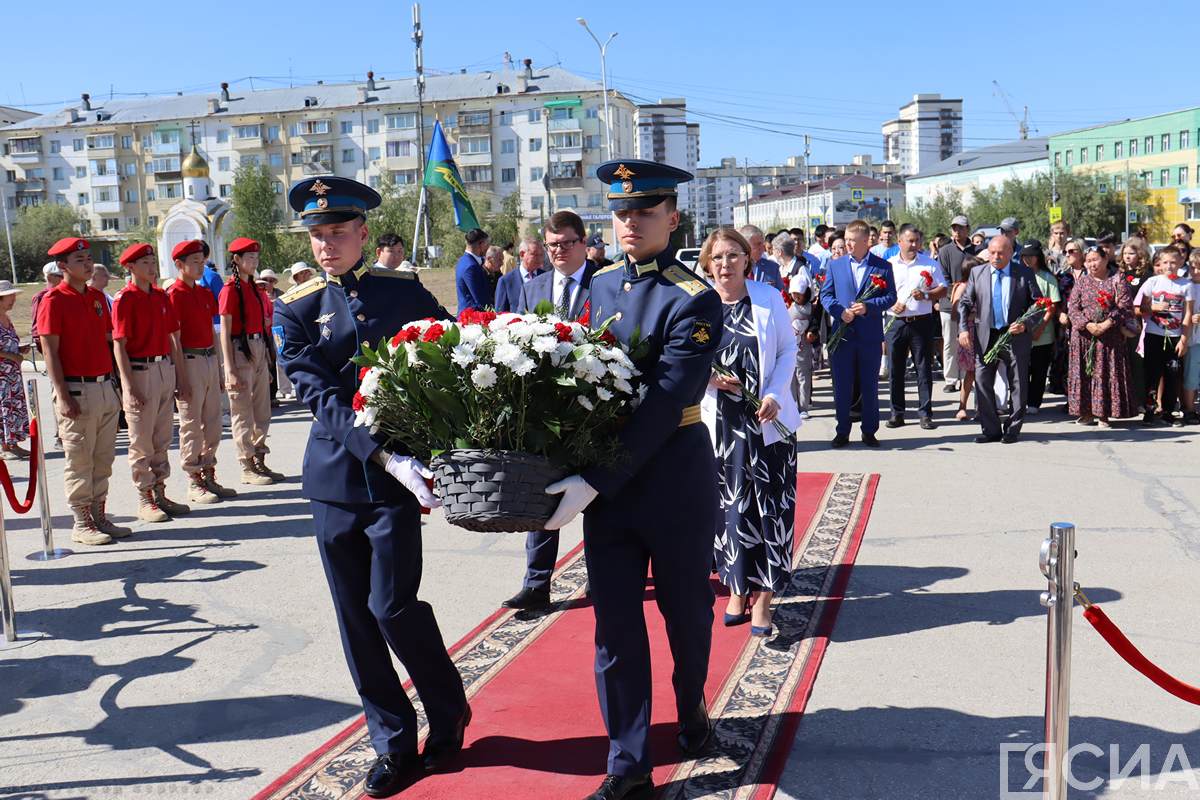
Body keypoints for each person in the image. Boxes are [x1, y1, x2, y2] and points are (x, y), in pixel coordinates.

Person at [277, 175, 466, 797]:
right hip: (338, 480)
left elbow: (455, 355)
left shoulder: (403, 291)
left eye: (337, 232)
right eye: (317, 234)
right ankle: (391, 741)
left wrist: (440, 450)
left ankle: (447, 707)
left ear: (363, 233)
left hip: (397, 486)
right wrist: (382, 455)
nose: (326, 244)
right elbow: (319, 395)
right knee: (356, 619)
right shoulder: (296, 306)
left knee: (393, 606)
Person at [541, 159, 722, 800]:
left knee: (686, 615)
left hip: (672, 477)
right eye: (620, 212)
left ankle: (691, 700)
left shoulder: (694, 297)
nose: (629, 222)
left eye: (643, 211)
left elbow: (667, 400)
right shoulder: (599, 288)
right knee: (615, 627)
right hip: (609, 491)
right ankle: (629, 765)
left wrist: (595, 479)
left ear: (672, 219)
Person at [697, 227, 799, 636]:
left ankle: (765, 600)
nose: (726, 264)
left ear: (747, 258)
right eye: (718, 257)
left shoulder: (768, 298)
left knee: (770, 509)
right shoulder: (700, 306)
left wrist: (774, 393)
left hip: (768, 422)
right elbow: (688, 356)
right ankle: (737, 588)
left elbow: (788, 349)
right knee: (730, 510)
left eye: (733, 255)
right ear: (708, 263)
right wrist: (708, 376)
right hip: (721, 425)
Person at [501, 211, 598, 612]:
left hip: (594, 407)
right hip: (544, 408)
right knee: (540, 495)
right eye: (552, 245)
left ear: (583, 243)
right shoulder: (533, 286)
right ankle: (537, 584)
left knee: (595, 497)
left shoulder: (604, 282)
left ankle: (601, 575)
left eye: (567, 244)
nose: (558, 252)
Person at [37, 237, 129, 545]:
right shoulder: (54, 300)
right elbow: (50, 351)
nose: (88, 264)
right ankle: (81, 521)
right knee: (79, 460)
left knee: (103, 458)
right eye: (80, 261)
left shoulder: (97, 297)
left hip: (104, 386)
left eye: (89, 258)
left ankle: (99, 515)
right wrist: (62, 394)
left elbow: (107, 340)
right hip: (77, 388)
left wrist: (116, 383)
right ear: (63, 266)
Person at [113, 242, 192, 522]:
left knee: (161, 438)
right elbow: (119, 345)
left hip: (163, 368)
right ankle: (144, 497)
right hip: (140, 371)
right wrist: (128, 385)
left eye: (152, 262)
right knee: (141, 441)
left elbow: (174, 338)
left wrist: (180, 376)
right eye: (144, 263)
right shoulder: (125, 299)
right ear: (130, 267)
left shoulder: (160, 296)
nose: (152, 267)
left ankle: (160, 491)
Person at [167, 239, 237, 505]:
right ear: (179, 265)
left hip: (208, 359)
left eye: (202, 261)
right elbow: (175, 338)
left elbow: (210, 330)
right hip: (189, 360)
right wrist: (180, 376)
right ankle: (193, 479)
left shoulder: (203, 292)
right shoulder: (174, 294)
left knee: (213, 423)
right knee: (191, 425)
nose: (200, 266)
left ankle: (209, 472)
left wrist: (219, 370)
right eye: (194, 262)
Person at [957, 236, 1045, 443]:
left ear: (1010, 252)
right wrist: (962, 330)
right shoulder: (978, 273)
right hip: (986, 335)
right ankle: (991, 430)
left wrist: (1026, 324)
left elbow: (1039, 303)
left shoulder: (1023, 273)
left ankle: (1012, 429)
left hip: (1015, 335)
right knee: (982, 381)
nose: (996, 257)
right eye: (993, 252)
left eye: (1001, 253)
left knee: (1018, 383)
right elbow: (965, 303)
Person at [820, 220, 896, 448]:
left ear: (866, 242)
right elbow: (826, 295)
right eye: (847, 241)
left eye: (854, 241)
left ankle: (869, 430)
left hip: (869, 337)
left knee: (869, 386)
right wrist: (838, 311)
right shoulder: (835, 265)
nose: (849, 245)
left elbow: (891, 297)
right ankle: (842, 430)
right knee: (842, 385)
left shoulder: (882, 267)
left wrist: (868, 306)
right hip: (842, 336)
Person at [219, 238, 283, 484]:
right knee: (243, 412)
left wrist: (266, 362)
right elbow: (225, 331)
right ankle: (246, 465)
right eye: (249, 258)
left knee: (262, 411)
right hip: (239, 349)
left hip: (257, 348)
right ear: (236, 260)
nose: (254, 262)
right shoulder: (229, 290)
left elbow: (264, 328)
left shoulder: (255, 290)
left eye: (256, 258)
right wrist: (230, 369)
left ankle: (259, 458)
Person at [886, 224, 947, 430]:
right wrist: (891, 303)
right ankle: (897, 412)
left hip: (921, 322)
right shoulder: (889, 264)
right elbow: (880, 292)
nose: (914, 245)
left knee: (923, 368)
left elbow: (942, 289)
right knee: (896, 369)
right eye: (910, 241)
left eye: (917, 241)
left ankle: (925, 413)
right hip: (896, 322)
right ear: (900, 241)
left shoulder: (929, 264)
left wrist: (927, 295)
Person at [1067, 246, 1134, 427]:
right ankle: (1087, 413)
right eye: (1088, 261)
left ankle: (1104, 414)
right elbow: (1072, 308)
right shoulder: (1081, 282)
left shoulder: (1117, 279)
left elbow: (1125, 307)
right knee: (1086, 373)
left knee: (1105, 373)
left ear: (1105, 259)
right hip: (1084, 337)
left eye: (1095, 259)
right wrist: (1088, 325)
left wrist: (1106, 324)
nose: (1092, 264)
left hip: (1109, 337)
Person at [1134, 248, 1189, 425]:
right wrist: (1153, 308)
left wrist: (1184, 339)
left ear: (1181, 263)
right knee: (1152, 374)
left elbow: (1188, 314)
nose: (1169, 266)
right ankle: (1150, 410)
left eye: (1173, 262)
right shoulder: (1153, 282)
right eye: (1165, 262)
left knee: (1172, 375)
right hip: (1153, 335)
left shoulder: (1185, 285)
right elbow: (1138, 308)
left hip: (1175, 336)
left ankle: (1168, 411)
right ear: (1159, 263)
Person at [1020, 242, 1063, 415]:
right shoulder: (1020, 276)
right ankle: (1020, 400)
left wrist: (1040, 328)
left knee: (1039, 370)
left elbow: (1052, 306)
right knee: (1022, 370)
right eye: (1024, 256)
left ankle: (1034, 402)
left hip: (1043, 333)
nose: (1027, 259)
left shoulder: (1047, 278)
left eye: (1030, 256)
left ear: (1038, 257)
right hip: (1022, 331)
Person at [938, 215, 975, 394]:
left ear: (967, 228)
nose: (957, 231)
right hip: (948, 304)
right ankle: (951, 378)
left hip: (973, 305)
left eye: (960, 228)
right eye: (954, 228)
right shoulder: (944, 251)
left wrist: (970, 295)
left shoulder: (976, 250)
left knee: (968, 342)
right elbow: (942, 279)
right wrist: (958, 292)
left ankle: (967, 377)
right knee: (950, 342)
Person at [950, 256, 984, 421]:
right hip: (968, 332)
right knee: (970, 372)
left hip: (983, 332)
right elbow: (955, 312)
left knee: (984, 371)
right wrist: (975, 315)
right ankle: (962, 407)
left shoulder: (983, 285)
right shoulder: (962, 287)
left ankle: (982, 407)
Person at [0, 281, 30, 460]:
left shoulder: (7, 319)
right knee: (4, 408)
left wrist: (18, 349)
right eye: (9, 297)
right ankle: (5, 446)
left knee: (12, 408)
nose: (13, 300)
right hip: (2, 376)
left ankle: (13, 444)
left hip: (12, 375)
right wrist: (13, 357)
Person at [494, 236, 543, 313]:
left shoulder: (547, 277)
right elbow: (500, 314)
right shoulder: (506, 281)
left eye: (541, 255)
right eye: (535, 255)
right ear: (522, 254)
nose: (540, 259)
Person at [1180, 250, 1200, 424]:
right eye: (1193, 268)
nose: (1196, 271)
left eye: (1199, 268)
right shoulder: (1185, 286)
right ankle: (1190, 409)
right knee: (1191, 375)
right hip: (1192, 340)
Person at [454, 227, 492, 312]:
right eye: (487, 244)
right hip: (472, 318)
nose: (488, 248)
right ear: (481, 244)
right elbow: (480, 299)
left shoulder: (463, 261)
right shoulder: (471, 266)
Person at [30, 261, 63, 355]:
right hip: (52, 346)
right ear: (49, 277)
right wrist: (46, 349)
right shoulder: (41, 297)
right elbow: (36, 328)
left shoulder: (66, 295)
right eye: (60, 276)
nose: (64, 279)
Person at [738, 225, 783, 290]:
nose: (762, 248)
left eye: (763, 244)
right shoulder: (735, 268)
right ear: (745, 245)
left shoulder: (772, 268)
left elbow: (780, 294)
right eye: (758, 244)